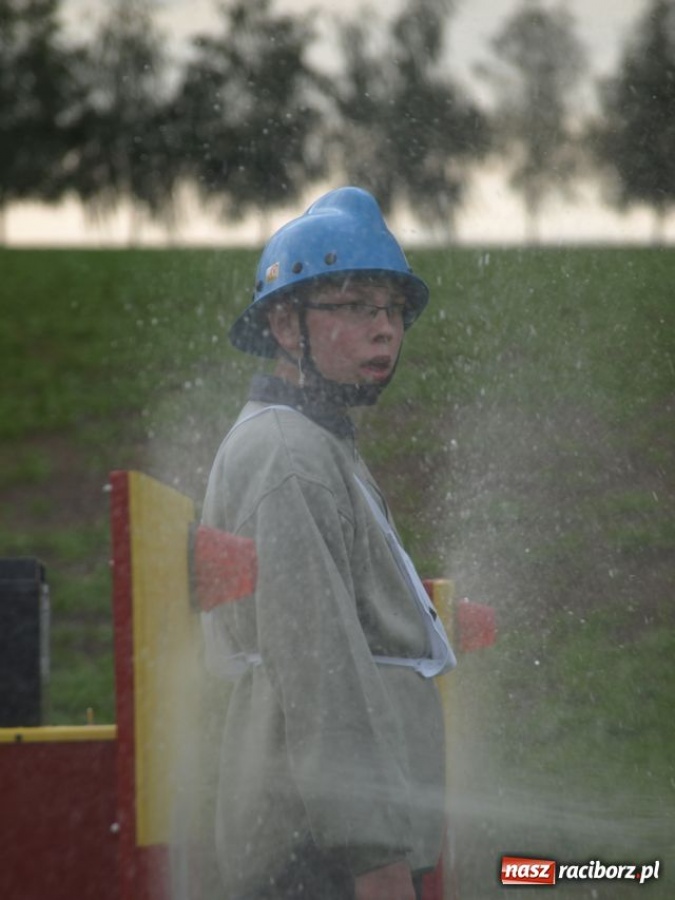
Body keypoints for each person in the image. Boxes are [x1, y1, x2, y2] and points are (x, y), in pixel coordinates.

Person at [200, 186, 456, 900]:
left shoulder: (316, 443)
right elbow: (317, 670)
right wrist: (373, 858)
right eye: (355, 305)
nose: (385, 330)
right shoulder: (287, 455)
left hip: (332, 851)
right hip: (323, 863)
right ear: (286, 323)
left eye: (392, 309)